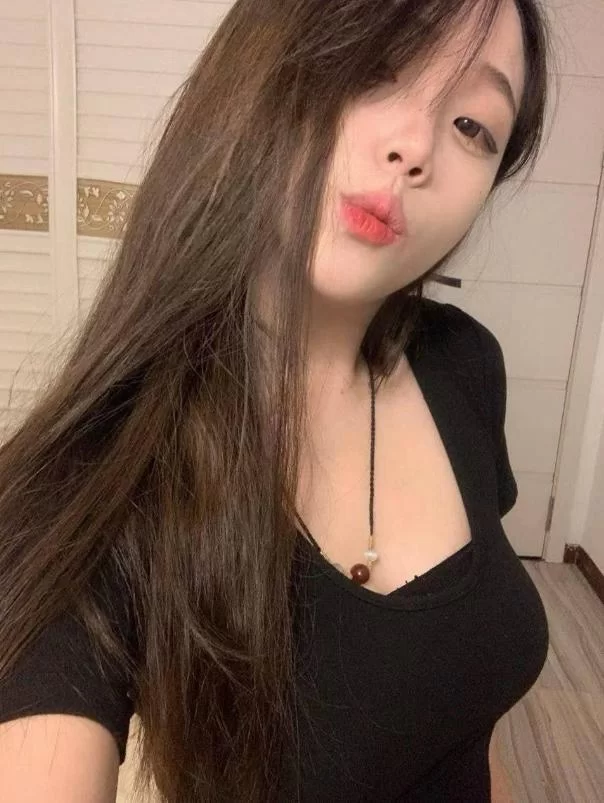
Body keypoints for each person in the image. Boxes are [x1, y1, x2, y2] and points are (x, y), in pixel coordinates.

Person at [0, 0, 555, 800]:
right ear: (256, 77)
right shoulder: (98, 483)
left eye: (474, 126)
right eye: (375, 67)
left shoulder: (464, 364)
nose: (414, 146)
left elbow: (469, 713)